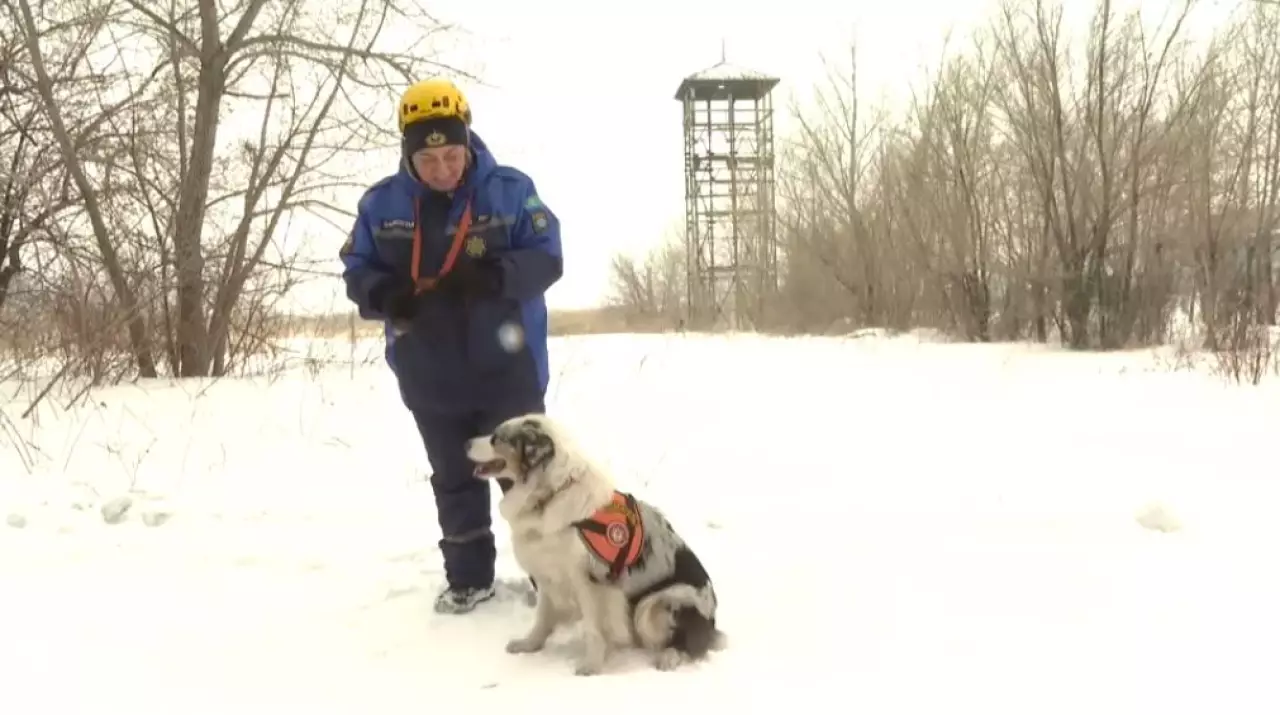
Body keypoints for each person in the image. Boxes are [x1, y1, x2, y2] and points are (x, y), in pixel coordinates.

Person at [338, 77, 563, 614]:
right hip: (429, 368)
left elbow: (548, 256)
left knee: (529, 477)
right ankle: (468, 578)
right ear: (409, 155)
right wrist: (385, 293)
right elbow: (356, 268)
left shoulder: (509, 189)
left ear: (468, 143)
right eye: (430, 159)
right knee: (454, 477)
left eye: (453, 154)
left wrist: (494, 277)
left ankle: (551, 580)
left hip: (508, 366)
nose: (443, 169)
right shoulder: (381, 204)